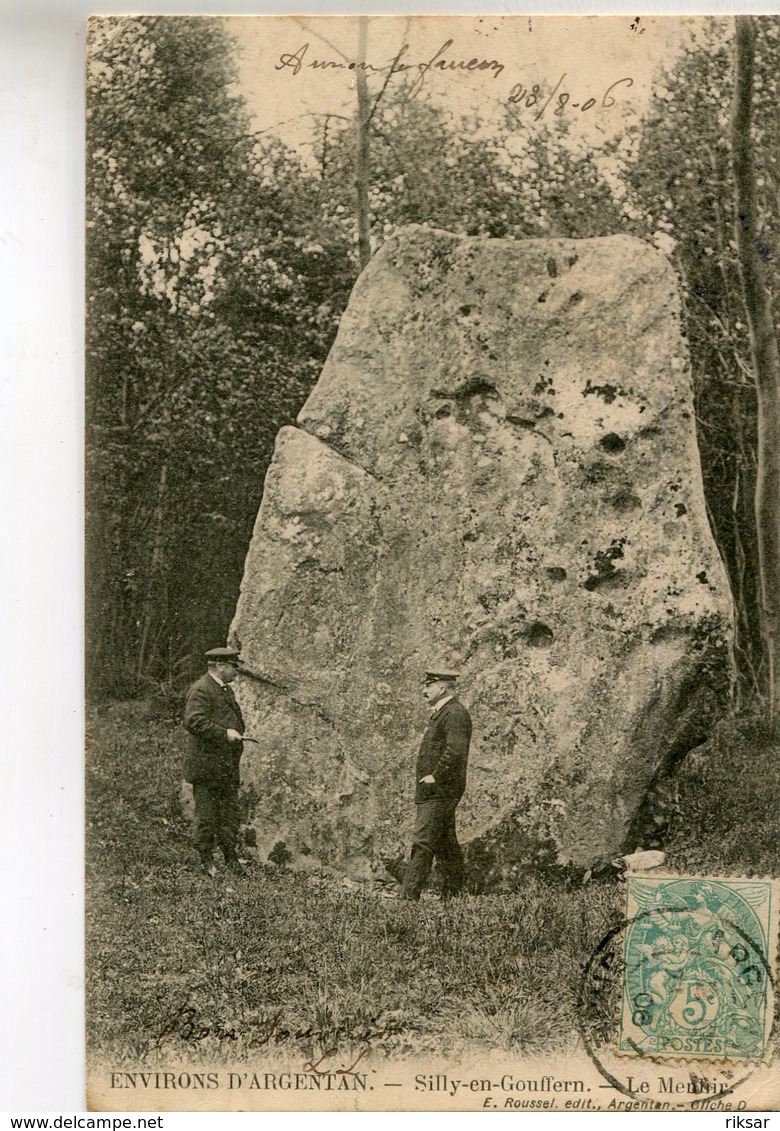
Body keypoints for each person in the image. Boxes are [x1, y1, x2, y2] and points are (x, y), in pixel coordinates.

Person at [401, 667, 472, 901]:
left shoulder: (455, 714)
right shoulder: (443, 712)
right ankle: (452, 895)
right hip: (435, 790)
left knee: (422, 841)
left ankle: (408, 898)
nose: (424, 690)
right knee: (445, 843)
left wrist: (436, 775)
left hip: (441, 790)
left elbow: (455, 751)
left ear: (442, 687)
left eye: (428, 686)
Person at [183, 647, 246, 874]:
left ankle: (231, 858)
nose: (236, 671)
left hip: (225, 766)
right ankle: (207, 862)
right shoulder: (201, 690)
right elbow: (194, 722)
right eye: (233, 666)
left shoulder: (224, 690)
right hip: (207, 767)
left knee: (229, 814)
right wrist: (225, 734)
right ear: (221, 666)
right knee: (207, 816)